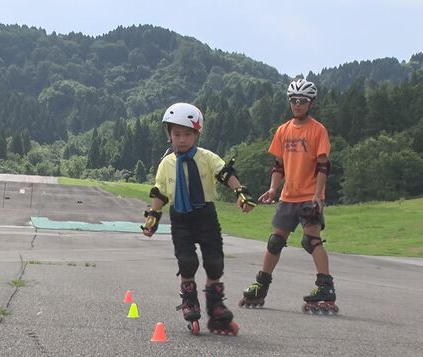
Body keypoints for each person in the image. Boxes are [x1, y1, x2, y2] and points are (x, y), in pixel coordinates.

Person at [142, 102, 257, 335]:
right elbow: (160, 192)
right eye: (176, 134)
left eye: (187, 134)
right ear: (169, 135)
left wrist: (240, 194)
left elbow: (225, 173)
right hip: (180, 218)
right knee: (187, 261)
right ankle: (189, 301)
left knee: (214, 262)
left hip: (205, 215)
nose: (182, 139)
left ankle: (215, 308)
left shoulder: (206, 157)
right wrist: (152, 217)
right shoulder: (166, 164)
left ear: (197, 134)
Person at [239, 78, 338, 314]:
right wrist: (273, 189)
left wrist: (318, 196)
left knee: (310, 239)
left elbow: (324, 166)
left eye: (302, 101)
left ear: (310, 103)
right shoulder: (283, 130)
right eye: (294, 100)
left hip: (309, 196)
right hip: (287, 196)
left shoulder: (318, 130)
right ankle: (260, 286)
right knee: (275, 242)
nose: (297, 104)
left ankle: (325, 288)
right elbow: (278, 165)